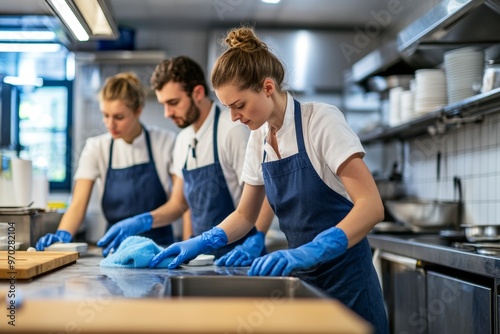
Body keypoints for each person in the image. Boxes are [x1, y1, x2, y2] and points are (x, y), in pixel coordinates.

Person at [149, 28, 389, 333]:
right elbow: (245, 214)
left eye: (239, 105)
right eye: (228, 108)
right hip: (304, 282)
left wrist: (314, 248)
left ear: (267, 87)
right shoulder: (259, 137)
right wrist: (202, 241)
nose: (234, 117)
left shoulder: (320, 121)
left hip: (349, 285)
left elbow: (371, 206)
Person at [97, 56, 274, 261]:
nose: (167, 113)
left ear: (197, 93)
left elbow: (265, 192)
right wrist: (143, 221)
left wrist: (257, 238)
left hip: (241, 257)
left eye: (173, 103)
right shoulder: (183, 139)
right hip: (203, 258)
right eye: (163, 104)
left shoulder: (233, 130)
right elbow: (178, 205)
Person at [36, 72, 177, 251]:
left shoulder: (165, 142)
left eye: (119, 117)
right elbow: (78, 204)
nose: (110, 124)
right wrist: (63, 235)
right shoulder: (96, 147)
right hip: (115, 250)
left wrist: (143, 221)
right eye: (105, 115)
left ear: (138, 110)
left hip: (160, 249)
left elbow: (178, 205)